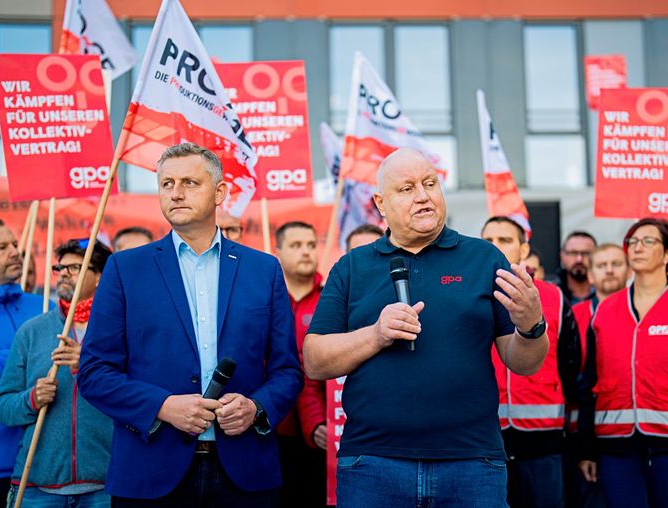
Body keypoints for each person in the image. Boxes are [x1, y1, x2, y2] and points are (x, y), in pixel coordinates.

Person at [303, 148, 548, 507]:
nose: (422, 196)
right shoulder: (352, 267)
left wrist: (531, 326)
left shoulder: (484, 258)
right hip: (373, 463)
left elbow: (525, 362)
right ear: (380, 203)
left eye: (430, 183)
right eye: (406, 188)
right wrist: (375, 334)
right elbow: (315, 361)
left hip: (471, 463)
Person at [77, 142, 303, 507]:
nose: (176, 193)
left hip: (245, 474)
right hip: (150, 472)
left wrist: (257, 407)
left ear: (220, 193)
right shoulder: (125, 270)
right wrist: (163, 406)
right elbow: (94, 373)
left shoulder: (264, 270)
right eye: (166, 184)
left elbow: (288, 370)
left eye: (189, 183)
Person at [577, 218, 668, 508]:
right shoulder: (604, 310)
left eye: (648, 241)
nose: (638, 248)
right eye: (632, 242)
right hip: (615, 446)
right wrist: (587, 449)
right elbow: (589, 383)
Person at [0, 238, 114, 507]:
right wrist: (31, 399)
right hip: (37, 487)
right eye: (60, 268)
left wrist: (89, 365)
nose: (64, 274)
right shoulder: (32, 331)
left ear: (100, 277)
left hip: (106, 486)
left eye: (75, 268)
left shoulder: (121, 328)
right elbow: (2, 405)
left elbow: (139, 393)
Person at [481, 216, 581, 508]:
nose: (495, 247)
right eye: (488, 241)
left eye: (505, 240)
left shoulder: (554, 297)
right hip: (485, 437)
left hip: (544, 439)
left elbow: (570, 363)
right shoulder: (468, 295)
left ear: (524, 250)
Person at [0, 219, 44, 507]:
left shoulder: (42, 307)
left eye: (14, 244)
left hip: (43, 466)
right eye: (1, 247)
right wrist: (12, 354)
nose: (15, 252)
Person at [568, 243, 629, 508]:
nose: (610, 271)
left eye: (616, 264)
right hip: (581, 430)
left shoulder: (642, 315)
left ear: (628, 271)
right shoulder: (575, 315)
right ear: (591, 275)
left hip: (633, 432)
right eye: (602, 265)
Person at [274, 221, 326, 508]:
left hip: (320, 433)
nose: (306, 252)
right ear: (278, 252)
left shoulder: (331, 296)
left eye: (310, 245)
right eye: (296, 245)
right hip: (272, 430)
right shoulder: (267, 297)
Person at [556, 232, 597, 305]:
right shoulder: (552, 294)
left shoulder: (607, 294)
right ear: (562, 256)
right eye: (573, 253)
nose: (579, 259)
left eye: (586, 253)